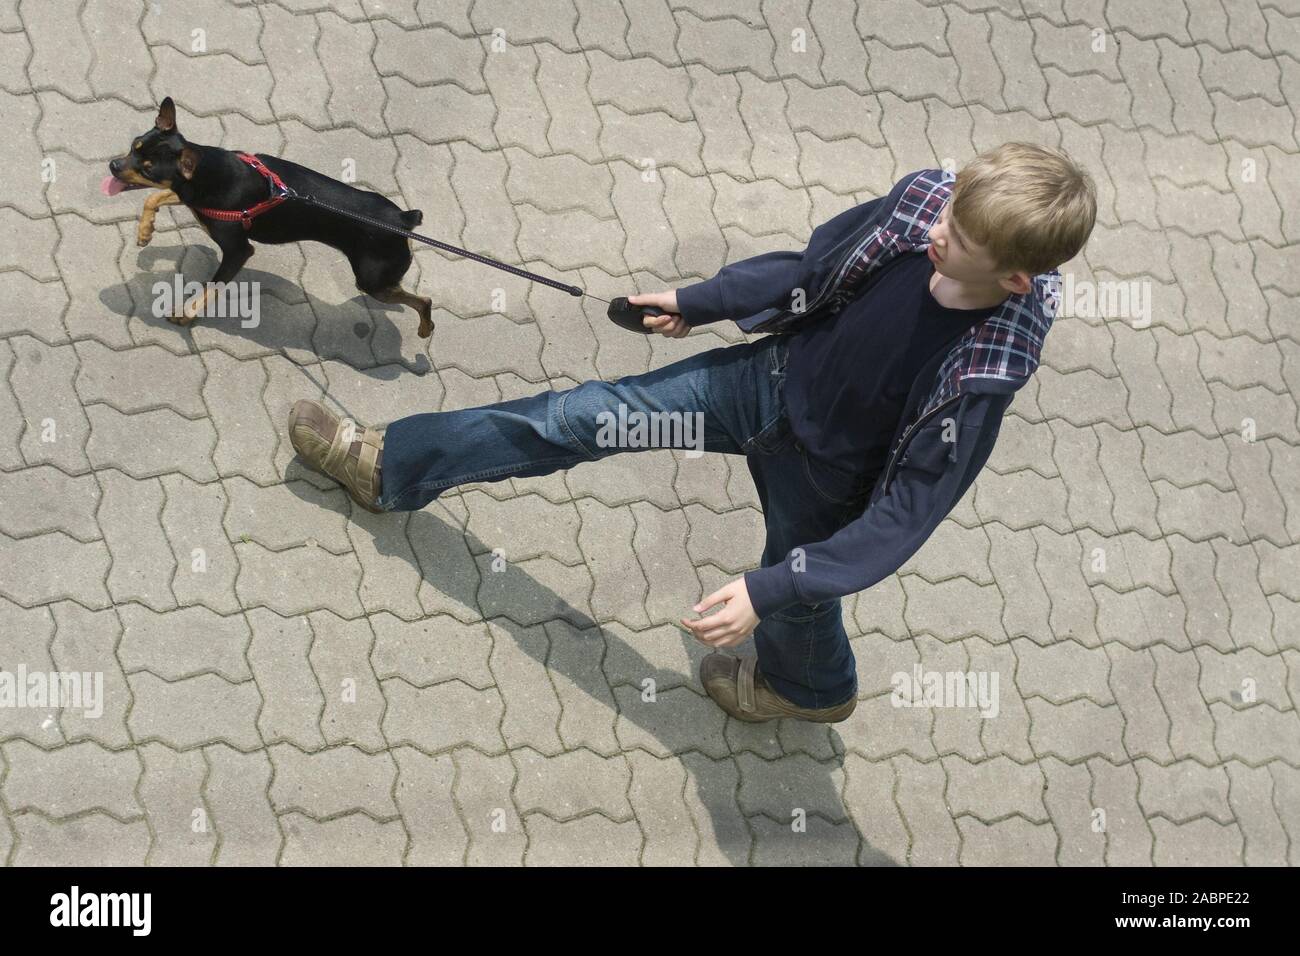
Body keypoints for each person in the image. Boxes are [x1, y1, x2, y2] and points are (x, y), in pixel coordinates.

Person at [286, 142, 1096, 724]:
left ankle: (809, 691)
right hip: (759, 386)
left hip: (824, 480)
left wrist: (766, 591)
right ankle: (389, 462)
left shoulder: (981, 375)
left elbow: (903, 522)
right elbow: (811, 269)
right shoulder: (927, 202)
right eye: (950, 211)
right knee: (578, 416)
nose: (937, 231)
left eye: (960, 239)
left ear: (1015, 279)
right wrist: (701, 299)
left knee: (800, 594)